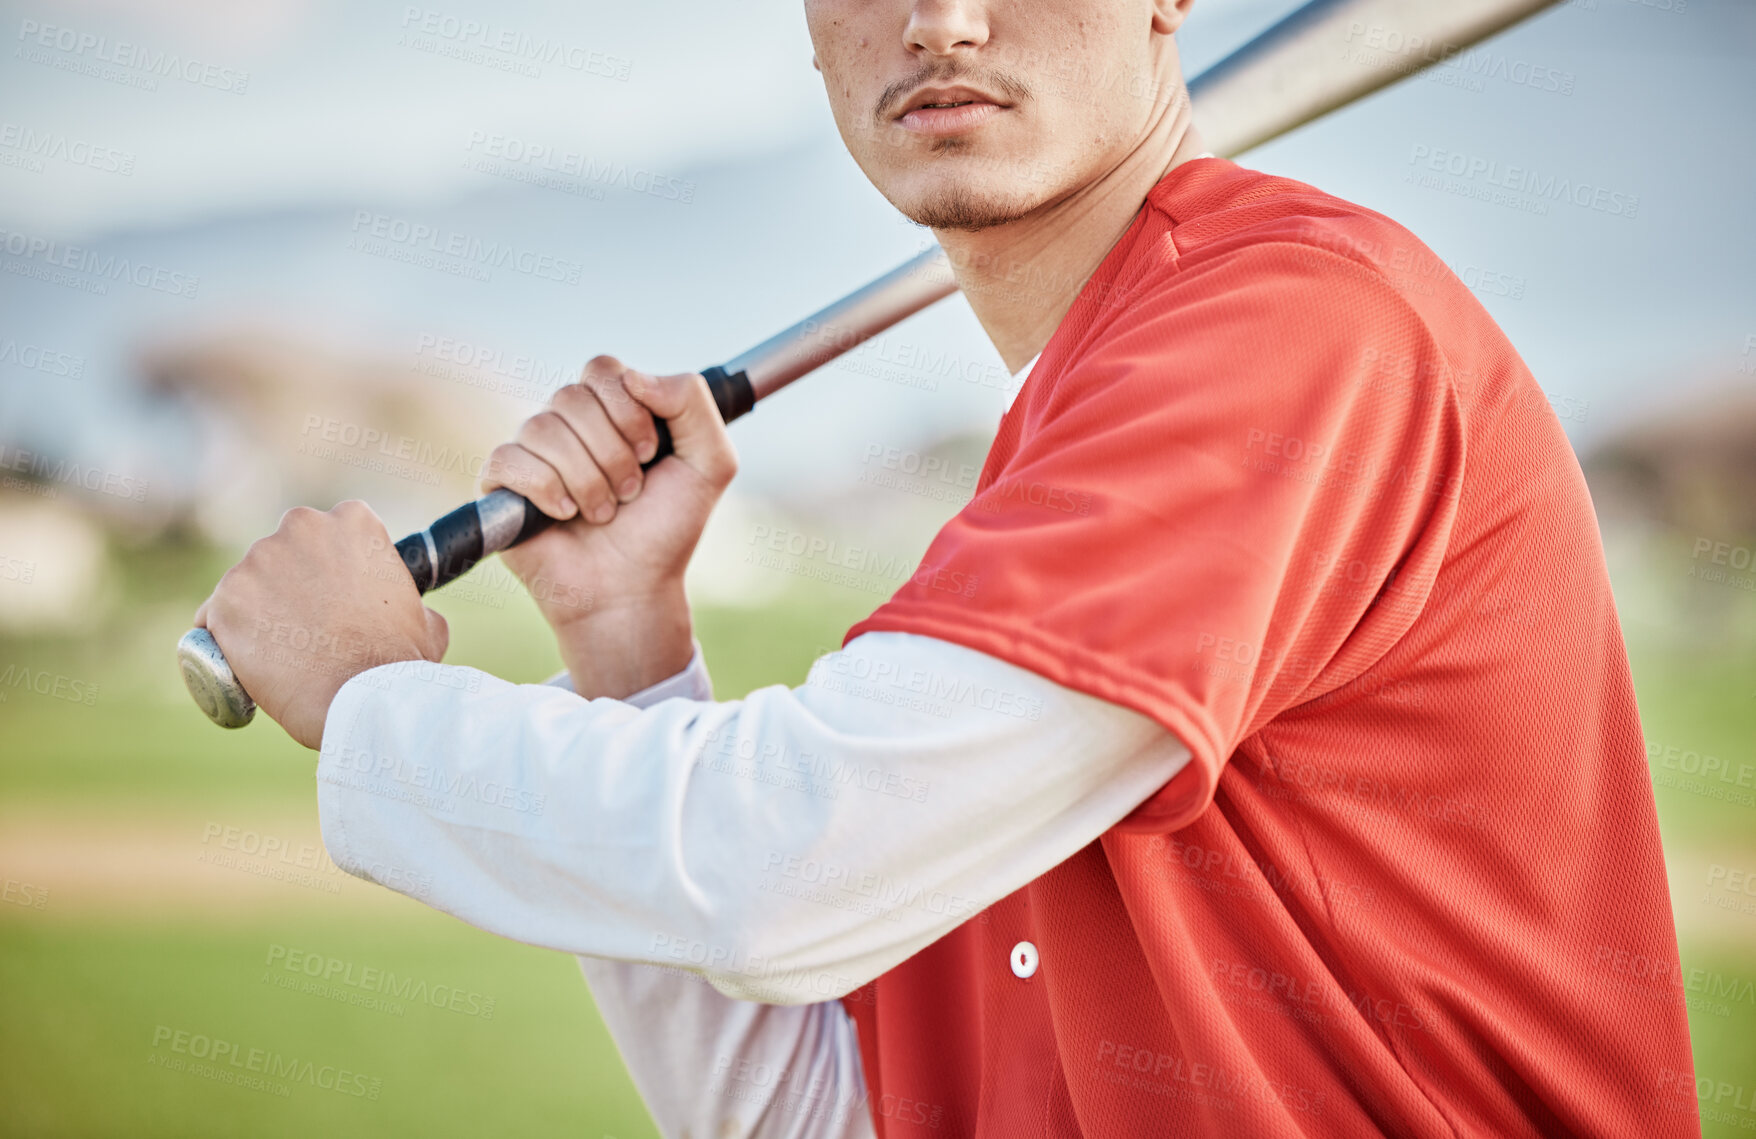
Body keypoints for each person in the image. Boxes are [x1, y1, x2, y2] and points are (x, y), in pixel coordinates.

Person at [195, 0, 1698, 1135]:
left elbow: (777, 870)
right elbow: (809, 1114)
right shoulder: (1056, 459)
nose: (943, 20)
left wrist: (378, 700)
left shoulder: (1290, 331)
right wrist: (626, 650)